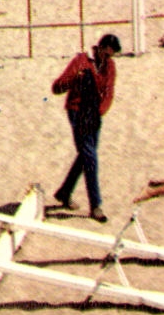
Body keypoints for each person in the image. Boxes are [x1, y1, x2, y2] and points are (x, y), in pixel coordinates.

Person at [51, 33, 121, 223]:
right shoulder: (81, 61)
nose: (108, 59)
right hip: (77, 111)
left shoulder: (110, 66)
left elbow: (109, 91)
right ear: (99, 48)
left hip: (94, 114)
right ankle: (95, 205)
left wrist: (100, 111)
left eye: (111, 56)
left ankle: (65, 192)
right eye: (106, 54)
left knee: (86, 155)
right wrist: (74, 79)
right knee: (90, 157)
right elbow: (56, 88)